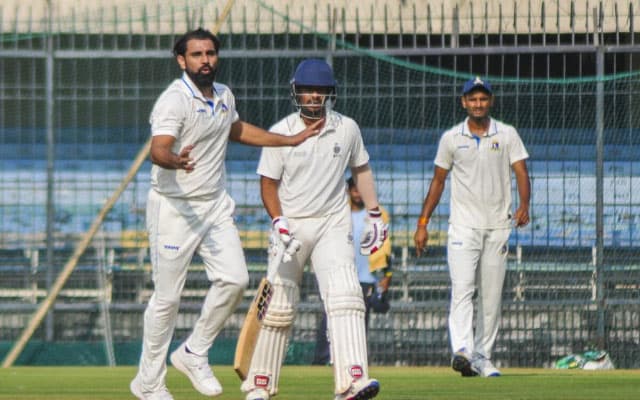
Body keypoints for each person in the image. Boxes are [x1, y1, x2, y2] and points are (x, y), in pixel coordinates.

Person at [130, 28, 322, 400]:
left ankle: (193, 351)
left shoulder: (223, 95)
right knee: (167, 298)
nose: (205, 60)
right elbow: (159, 150)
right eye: (197, 55)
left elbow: (236, 129)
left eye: (211, 54)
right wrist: (175, 161)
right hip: (175, 208)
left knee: (235, 281)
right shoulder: (174, 100)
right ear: (181, 61)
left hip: (214, 205)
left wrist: (289, 139)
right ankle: (149, 382)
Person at [240, 59, 387, 400]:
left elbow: (361, 170)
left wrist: (375, 215)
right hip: (290, 226)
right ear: (296, 91)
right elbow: (268, 185)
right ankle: (260, 384)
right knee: (278, 304)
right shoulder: (281, 130)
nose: (313, 96)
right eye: (307, 90)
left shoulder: (347, 128)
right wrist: (279, 224)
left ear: (329, 93)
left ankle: (352, 380)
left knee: (346, 295)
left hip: (332, 224)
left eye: (319, 90)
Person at [413, 76, 530, 378]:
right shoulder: (452, 138)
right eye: (472, 99)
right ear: (464, 102)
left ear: (490, 101)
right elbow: (438, 181)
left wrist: (524, 205)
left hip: (497, 226)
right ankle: (463, 350)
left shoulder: (506, 134)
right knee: (463, 289)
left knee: (490, 296)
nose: (478, 104)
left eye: (483, 99)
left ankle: (482, 356)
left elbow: (521, 171)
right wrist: (423, 223)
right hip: (463, 227)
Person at [312, 176, 392, 366]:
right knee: (331, 316)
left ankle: (354, 360)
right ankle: (324, 359)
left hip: (366, 277)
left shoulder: (377, 214)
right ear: (348, 190)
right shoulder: (339, 212)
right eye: (354, 189)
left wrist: (387, 275)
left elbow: (386, 246)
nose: (358, 193)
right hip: (340, 272)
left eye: (360, 189)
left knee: (359, 320)